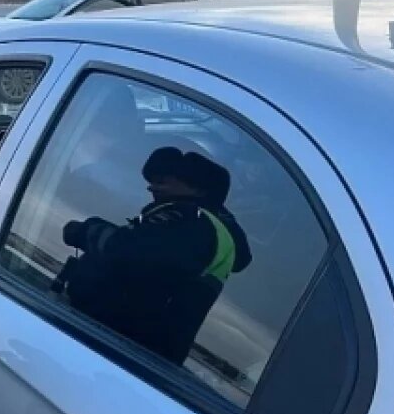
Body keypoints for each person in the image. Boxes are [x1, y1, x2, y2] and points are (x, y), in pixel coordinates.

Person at [58, 147, 252, 365]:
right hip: (126, 349)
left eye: (161, 182)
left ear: (197, 189)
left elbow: (130, 252)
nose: (151, 187)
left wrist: (85, 231)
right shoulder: (207, 229)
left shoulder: (194, 227)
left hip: (122, 350)